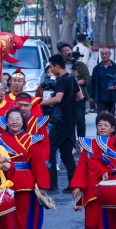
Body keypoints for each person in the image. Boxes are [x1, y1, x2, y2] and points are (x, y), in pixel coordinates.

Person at [0, 110, 51, 229]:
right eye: (11, 119)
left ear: (23, 121)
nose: (14, 122)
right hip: (4, 183)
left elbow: (39, 165)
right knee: (4, 221)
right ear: (6, 122)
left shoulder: (31, 140)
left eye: (18, 119)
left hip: (26, 185)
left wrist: (42, 186)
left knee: (25, 222)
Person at [70, 112, 116, 229]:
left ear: (112, 129)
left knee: (106, 224)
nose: (102, 128)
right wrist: (77, 186)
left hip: (110, 189)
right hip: (91, 191)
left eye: (106, 125)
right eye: (100, 125)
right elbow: (82, 167)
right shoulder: (89, 145)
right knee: (91, 225)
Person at [41, 54, 82, 193]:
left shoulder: (61, 81)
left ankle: (52, 183)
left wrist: (40, 102)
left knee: (50, 148)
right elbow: (80, 97)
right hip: (71, 121)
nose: (51, 70)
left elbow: (58, 99)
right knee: (66, 153)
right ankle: (73, 184)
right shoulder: (72, 79)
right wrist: (68, 103)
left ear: (57, 66)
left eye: (52, 67)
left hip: (62, 122)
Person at [59, 41, 90, 142]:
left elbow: (87, 79)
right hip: (66, 98)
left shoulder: (80, 65)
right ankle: (70, 143)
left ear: (72, 51)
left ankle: (82, 142)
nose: (66, 53)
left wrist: (75, 81)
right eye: (63, 51)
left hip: (79, 97)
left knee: (80, 120)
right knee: (69, 121)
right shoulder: (60, 66)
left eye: (68, 50)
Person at [89, 47, 116, 113]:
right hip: (101, 98)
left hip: (113, 98)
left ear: (110, 54)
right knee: (101, 117)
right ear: (100, 55)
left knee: (112, 118)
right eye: (102, 54)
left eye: (106, 54)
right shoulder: (96, 68)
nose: (104, 56)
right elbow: (93, 83)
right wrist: (91, 97)